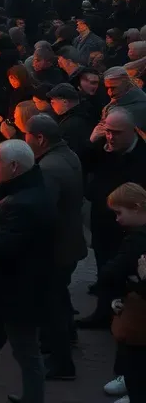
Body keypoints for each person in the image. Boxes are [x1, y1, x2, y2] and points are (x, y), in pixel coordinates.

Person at [0, 139, 55, 403]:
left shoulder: (22, 203)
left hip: (16, 296)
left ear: (15, 167)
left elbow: (8, 247)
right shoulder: (24, 190)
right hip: (0, 294)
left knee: (26, 354)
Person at [24, 113, 86, 380]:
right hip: (69, 242)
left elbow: (42, 212)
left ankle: (60, 363)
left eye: (27, 136)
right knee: (59, 298)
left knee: (52, 307)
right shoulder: (67, 155)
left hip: (55, 248)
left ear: (40, 138)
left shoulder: (48, 168)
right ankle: (67, 338)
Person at [80, 107, 146, 329]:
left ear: (132, 131)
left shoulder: (141, 155)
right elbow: (84, 163)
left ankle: (126, 317)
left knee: (125, 270)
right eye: (107, 131)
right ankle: (103, 312)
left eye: (116, 132)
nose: (110, 136)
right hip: (103, 219)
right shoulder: (103, 147)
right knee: (104, 266)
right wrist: (92, 142)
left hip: (130, 226)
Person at [98, 182, 146, 403]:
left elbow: (114, 270)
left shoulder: (137, 239)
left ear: (137, 207)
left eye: (119, 212)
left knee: (135, 354)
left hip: (139, 310)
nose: (117, 219)